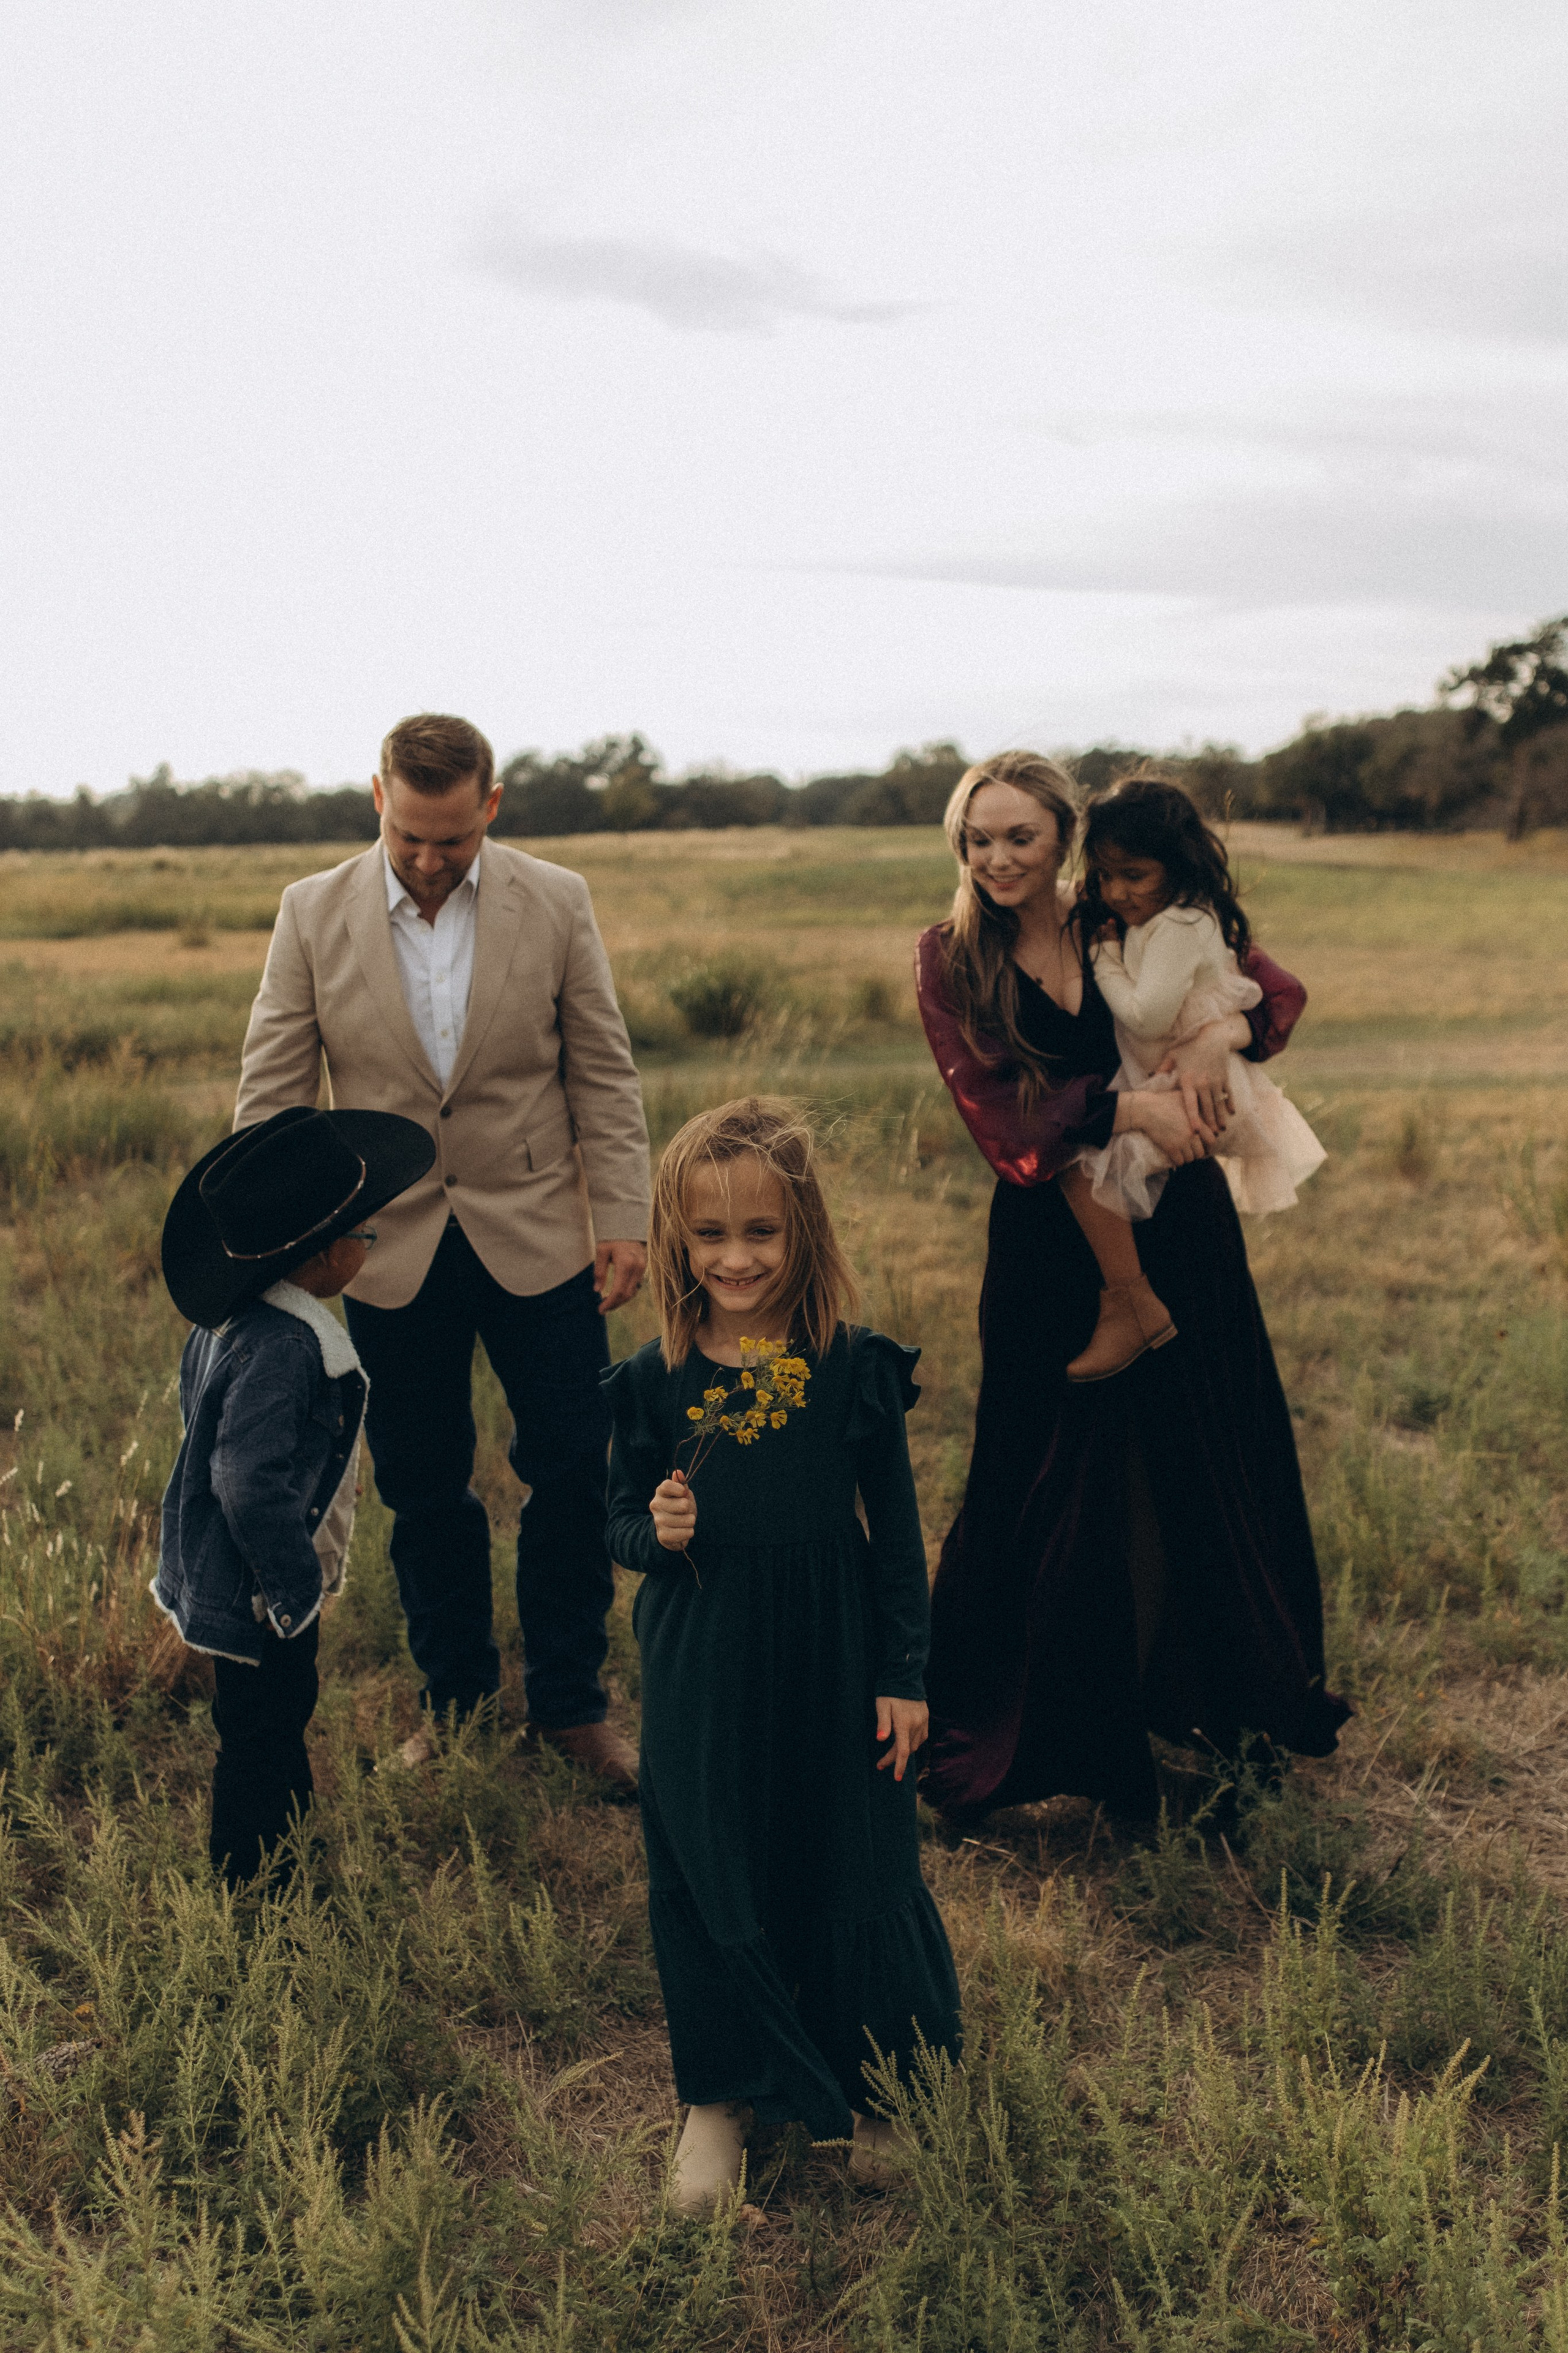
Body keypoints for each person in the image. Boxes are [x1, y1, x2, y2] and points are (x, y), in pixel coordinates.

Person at [914, 751, 1349, 1825]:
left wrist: (1214, 1034)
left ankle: (1213, 1715)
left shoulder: (1118, 909)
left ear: (1063, 836)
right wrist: (1127, 1114)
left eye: (1021, 836)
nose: (998, 857)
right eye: (978, 838)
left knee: (1197, 1458)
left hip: (1183, 1228)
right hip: (1044, 1248)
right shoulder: (949, 958)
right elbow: (998, 1111)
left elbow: (1273, 990)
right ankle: (1044, 1737)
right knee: (1042, 1474)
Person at [235, 712, 651, 1792]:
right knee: (424, 1486)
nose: (428, 861)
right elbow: (276, 1092)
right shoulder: (310, 911)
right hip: (390, 1249)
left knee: (570, 1468)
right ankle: (456, 1704)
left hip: (542, 1236)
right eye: (411, 837)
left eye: (452, 841)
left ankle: (572, 1707)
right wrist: (270, 1244)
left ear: (492, 808)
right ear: (379, 799)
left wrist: (624, 1214)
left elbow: (602, 1072)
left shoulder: (556, 899)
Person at [603, 1098, 960, 2214]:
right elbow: (611, 1525)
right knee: (713, 1853)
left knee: (854, 1851)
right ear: (675, 1241)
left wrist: (904, 1670)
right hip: (704, 1653)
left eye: (761, 1232)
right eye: (710, 1236)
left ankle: (886, 2083)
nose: (736, 1257)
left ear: (802, 1233)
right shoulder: (654, 1381)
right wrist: (651, 1535)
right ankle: (720, 2095)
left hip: (835, 1646)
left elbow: (897, 1540)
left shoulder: (848, 1366)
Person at [154, 1104, 436, 1886]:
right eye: (364, 1235)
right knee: (268, 1728)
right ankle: (264, 1882)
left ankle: (271, 1860)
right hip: (258, 1590)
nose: (368, 1245)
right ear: (325, 1257)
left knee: (255, 1726)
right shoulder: (288, 1347)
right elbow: (244, 1478)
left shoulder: (229, 1323)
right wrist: (292, 1587)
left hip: (230, 1576)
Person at [1060, 774, 1327, 1381]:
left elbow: (1148, 1018)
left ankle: (1130, 1304)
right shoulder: (1151, 919)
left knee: (1082, 1162)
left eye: (1134, 875)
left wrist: (1103, 960)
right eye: (1105, 875)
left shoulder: (1179, 925)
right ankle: (1128, 1299)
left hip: (1195, 1090)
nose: (1117, 892)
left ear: (1175, 866)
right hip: (1175, 1082)